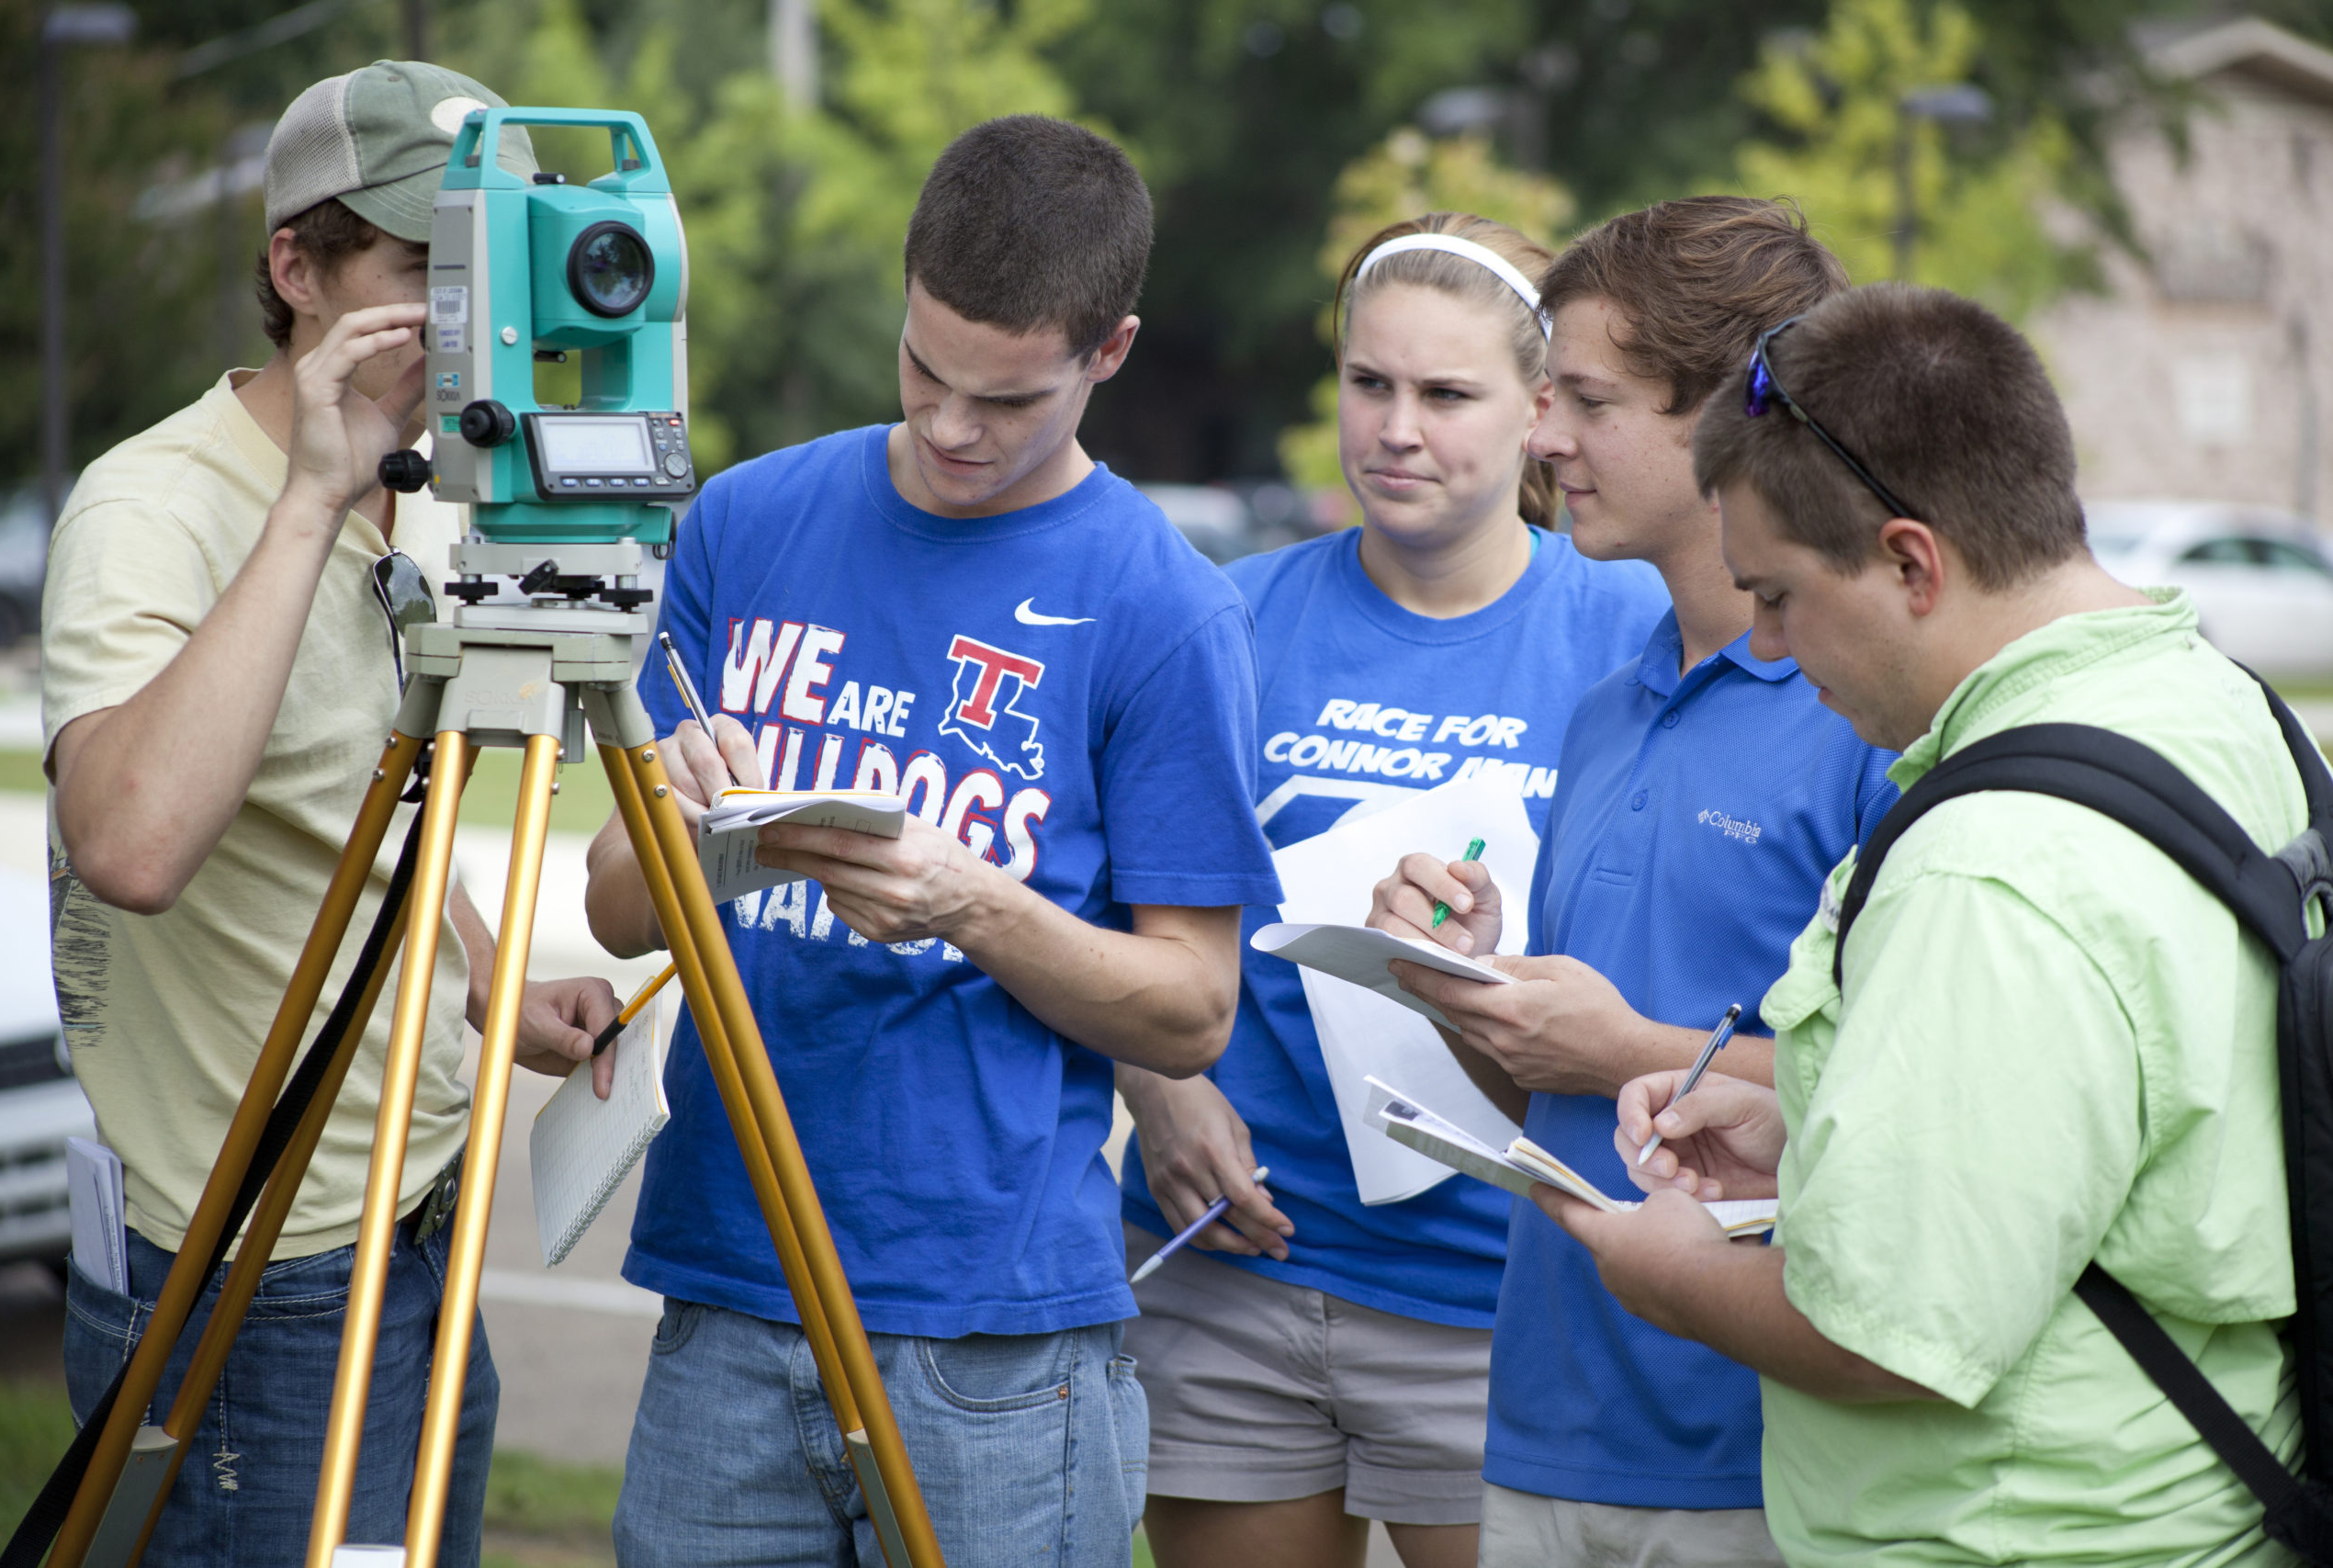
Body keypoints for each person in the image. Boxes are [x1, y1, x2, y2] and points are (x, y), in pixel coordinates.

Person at [582, 114, 1281, 1568]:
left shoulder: (1163, 607)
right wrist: (684, 819)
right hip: (727, 1280)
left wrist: (977, 904)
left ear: (1112, 352)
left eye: (1008, 398)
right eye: (924, 370)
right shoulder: (746, 521)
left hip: (994, 1338)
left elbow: (1193, 1008)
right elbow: (612, 908)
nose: (952, 426)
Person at [1542, 281, 2316, 1565]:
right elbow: (2138, 1105)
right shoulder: (2213, 703)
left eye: (1780, 595)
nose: (1774, 650)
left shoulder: (1990, 869)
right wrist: (1816, 1119)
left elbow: (1887, 1336)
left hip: (2024, 1532)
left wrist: (1670, 1272)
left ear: (1910, 560)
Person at [45, 62, 622, 1568]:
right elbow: (132, 845)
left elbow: (360, 808)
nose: (463, 305)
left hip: (414, 1220)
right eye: (425, 263)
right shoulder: (150, 508)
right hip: (261, 1271)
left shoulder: (433, 478)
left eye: (487, 258)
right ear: (297, 268)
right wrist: (308, 505)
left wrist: (492, 983)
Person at [1112, 211, 1666, 1568]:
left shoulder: (1631, 630)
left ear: (1541, 413)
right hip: (1237, 1261)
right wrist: (1161, 1089)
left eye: (1445, 394)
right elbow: (1100, 900)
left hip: (1500, 1293)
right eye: (1371, 384)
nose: (1397, 428)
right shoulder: (1227, 615)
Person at [1366, 197, 1899, 1566]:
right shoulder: (1610, 705)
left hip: (1755, 1460)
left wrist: (1621, 1050)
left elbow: (1922, 1107)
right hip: (1543, 1430)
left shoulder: (1872, 724)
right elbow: (1556, 1091)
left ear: (1724, 418)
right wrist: (1471, 993)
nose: (1542, 441)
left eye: (1586, 401)